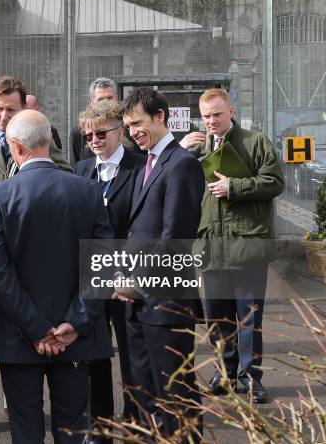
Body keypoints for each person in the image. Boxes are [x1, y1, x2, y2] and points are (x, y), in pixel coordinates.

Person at [0, 109, 114, 444]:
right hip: (75, 337)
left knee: (25, 427)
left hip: (17, 335)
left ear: (16, 146)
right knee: (72, 427)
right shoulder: (89, 191)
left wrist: (37, 328)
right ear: (50, 141)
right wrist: (75, 323)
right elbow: (103, 264)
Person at [0, 76, 70, 437]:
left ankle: (13, 397)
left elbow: (61, 170)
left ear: (25, 108)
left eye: (12, 109)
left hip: (28, 254)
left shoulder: (37, 133)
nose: (4, 116)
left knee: (24, 326)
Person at [188, 88, 284, 403]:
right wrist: (180, 150)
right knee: (217, 318)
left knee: (249, 318)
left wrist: (236, 186)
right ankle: (225, 375)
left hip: (247, 246)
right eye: (206, 116)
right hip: (212, 246)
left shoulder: (255, 143)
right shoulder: (197, 149)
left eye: (217, 114)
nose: (211, 121)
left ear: (231, 110)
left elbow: (274, 182)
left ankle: (251, 378)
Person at [119, 87, 205, 440]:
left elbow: (174, 238)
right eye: (128, 126)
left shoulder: (180, 164)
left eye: (138, 123)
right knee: (148, 393)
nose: (133, 131)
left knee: (176, 393)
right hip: (140, 306)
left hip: (165, 303)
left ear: (160, 117)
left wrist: (134, 281)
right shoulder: (149, 162)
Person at [73, 101, 145, 436]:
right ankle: (98, 427)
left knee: (133, 354)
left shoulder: (141, 167)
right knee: (93, 353)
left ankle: (134, 422)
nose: (95, 140)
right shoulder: (82, 170)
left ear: (120, 132)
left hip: (129, 276)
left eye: (101, 133)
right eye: (89, 136)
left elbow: (145, 225)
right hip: (93, 275)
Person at [70, 78, 119, 165]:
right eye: (100, 99)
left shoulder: (128, 126)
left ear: (116, 99)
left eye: (109, 98)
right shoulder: (79, 132)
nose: (105, 103)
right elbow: (75, 167)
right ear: (91, 102)